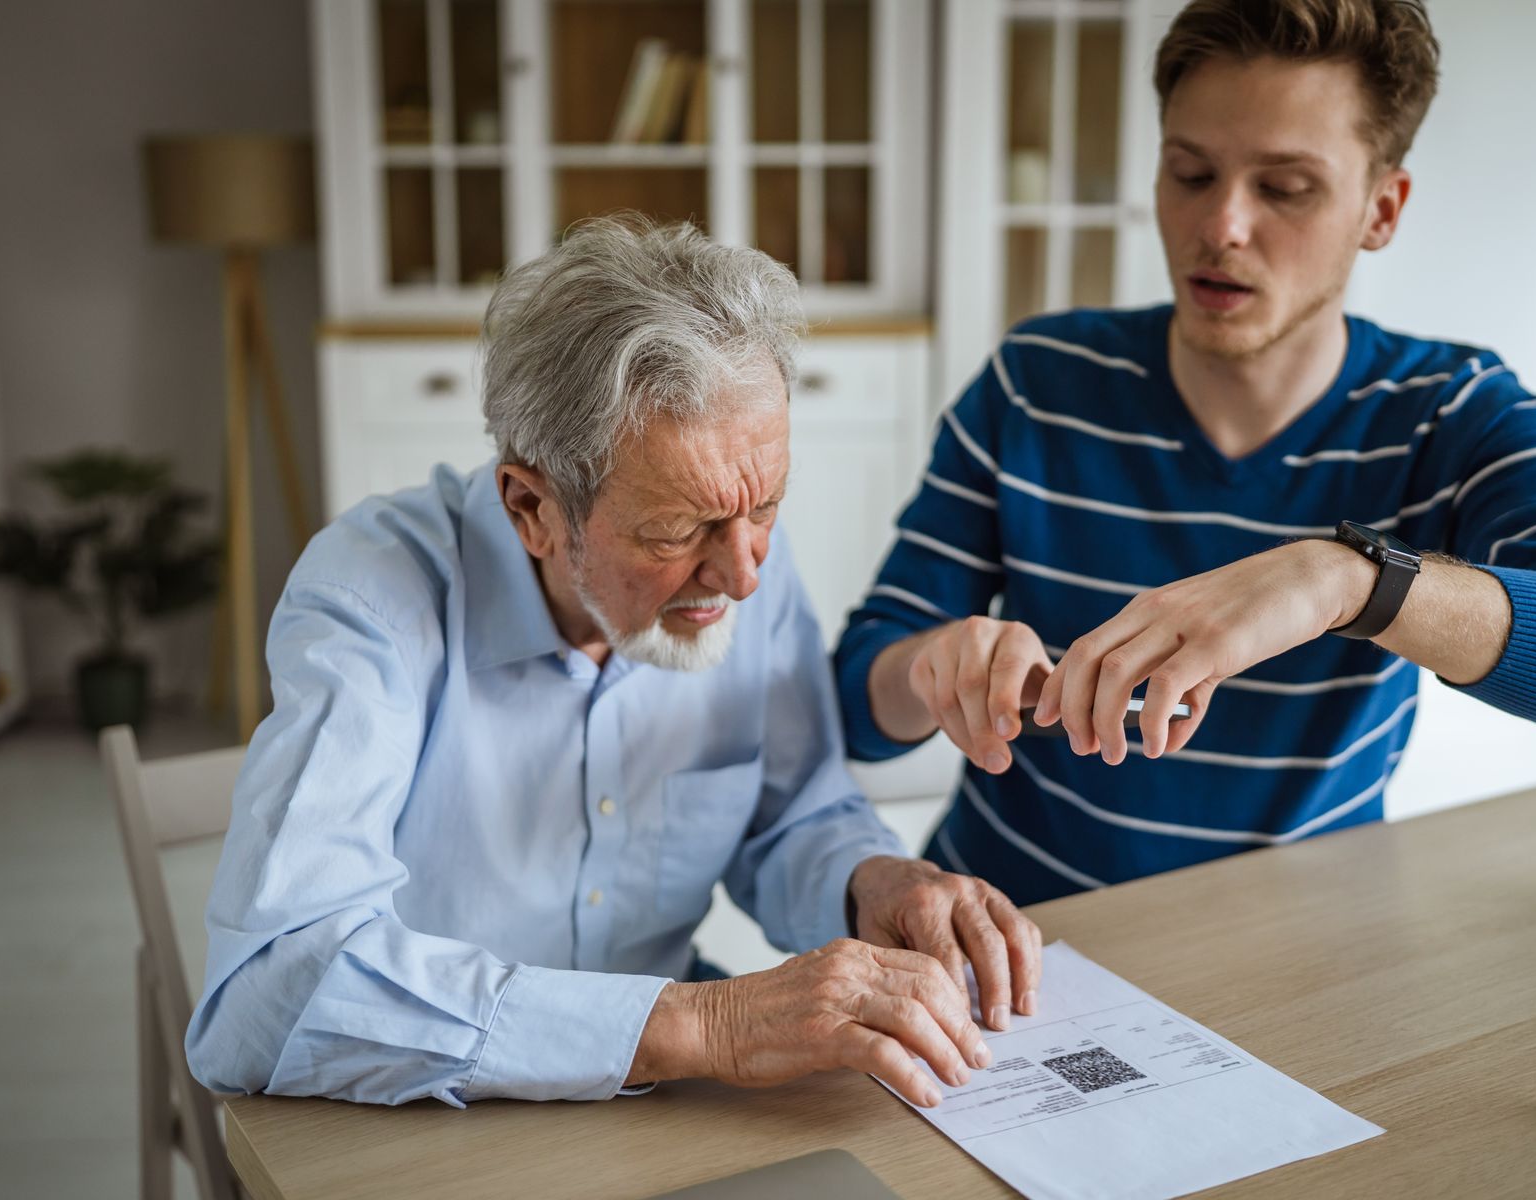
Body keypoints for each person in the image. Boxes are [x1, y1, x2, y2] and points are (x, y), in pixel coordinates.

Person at [835, 0, 1536, 906]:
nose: (1221, 226)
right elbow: (855, 702)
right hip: (1010, 921)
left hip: (1293, 945)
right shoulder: (1034, 380)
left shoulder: (1455, 413)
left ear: (1381, 209)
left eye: (1285, 188)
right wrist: (930, 666)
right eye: (1190, 173)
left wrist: (1347, 581)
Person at [186, 219, 1041, 1111]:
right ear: (532, 508)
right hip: (424, 1111)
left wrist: (871, 880)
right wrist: (705, 1026)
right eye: (675, 532)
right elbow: (268, 993)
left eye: (766, 509)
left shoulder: (737, 562)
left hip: (664, 1101)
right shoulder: (372, 599)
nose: (744, 576)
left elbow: (792, 812)